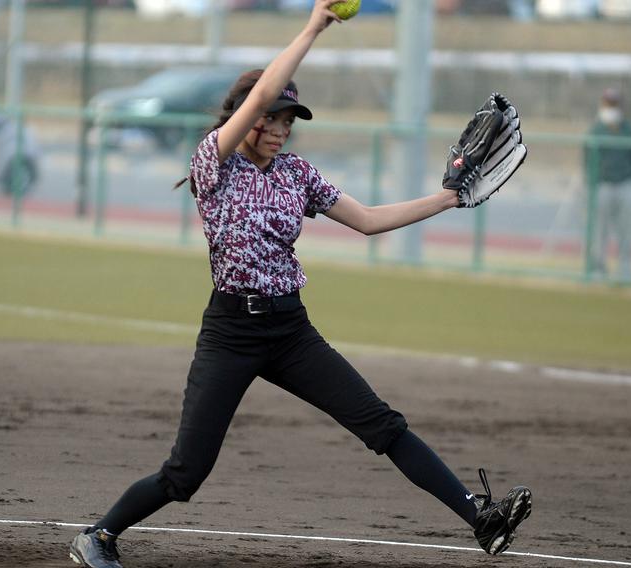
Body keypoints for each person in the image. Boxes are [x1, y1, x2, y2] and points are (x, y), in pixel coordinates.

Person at [69, 3, 531, 567]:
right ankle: (99, 536)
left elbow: (368, 220)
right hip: (231, 332)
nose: (282, 130)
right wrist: (313, 27)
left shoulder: (296, 175)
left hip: (290, 330)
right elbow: (261, 95)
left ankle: (481, 519)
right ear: (246, 118)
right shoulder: (213, 165)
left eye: (290, 122)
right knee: (186, 473)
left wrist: (449, 198)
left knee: (383, 425)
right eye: (275, 119)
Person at [584, 88, 631, 283]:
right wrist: (591, 183)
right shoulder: (596, 129)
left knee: (626, 230)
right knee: (600, 230)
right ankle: (598, 269)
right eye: (609, 104)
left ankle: (625, 270)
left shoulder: (629, 129)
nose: (612, 108)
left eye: (615, 104)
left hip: (626, 183)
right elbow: (587, 159)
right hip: (603, 184)